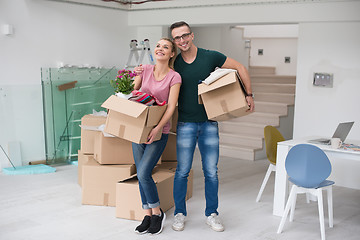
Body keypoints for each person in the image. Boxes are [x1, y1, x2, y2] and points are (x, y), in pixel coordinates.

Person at [169, 21, 255, 232]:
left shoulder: (210, 56)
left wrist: (249, 94)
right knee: (182, 171)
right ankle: (179, 213)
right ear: (174, 41)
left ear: (192, 35)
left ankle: (212, 214)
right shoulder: (174, 64)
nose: (182, 41)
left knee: (211, 172)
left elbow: (240, 68)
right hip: (185, 123)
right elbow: (158, 75)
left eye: (184, 36)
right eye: (177, 38)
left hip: (209, 123)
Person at [131, 37, 181, 235]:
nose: (160, 49)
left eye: (165, 47)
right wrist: (135, 76)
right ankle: (148, 214)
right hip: (138, 129)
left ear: (171, 54)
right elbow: (133, 94)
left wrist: (158, 128)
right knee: (140, 175)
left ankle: (158, 213)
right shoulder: (145, 69)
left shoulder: (174, 77)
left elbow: (171, 107)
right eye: (158, 46)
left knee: (144, 173)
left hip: (160, 131)